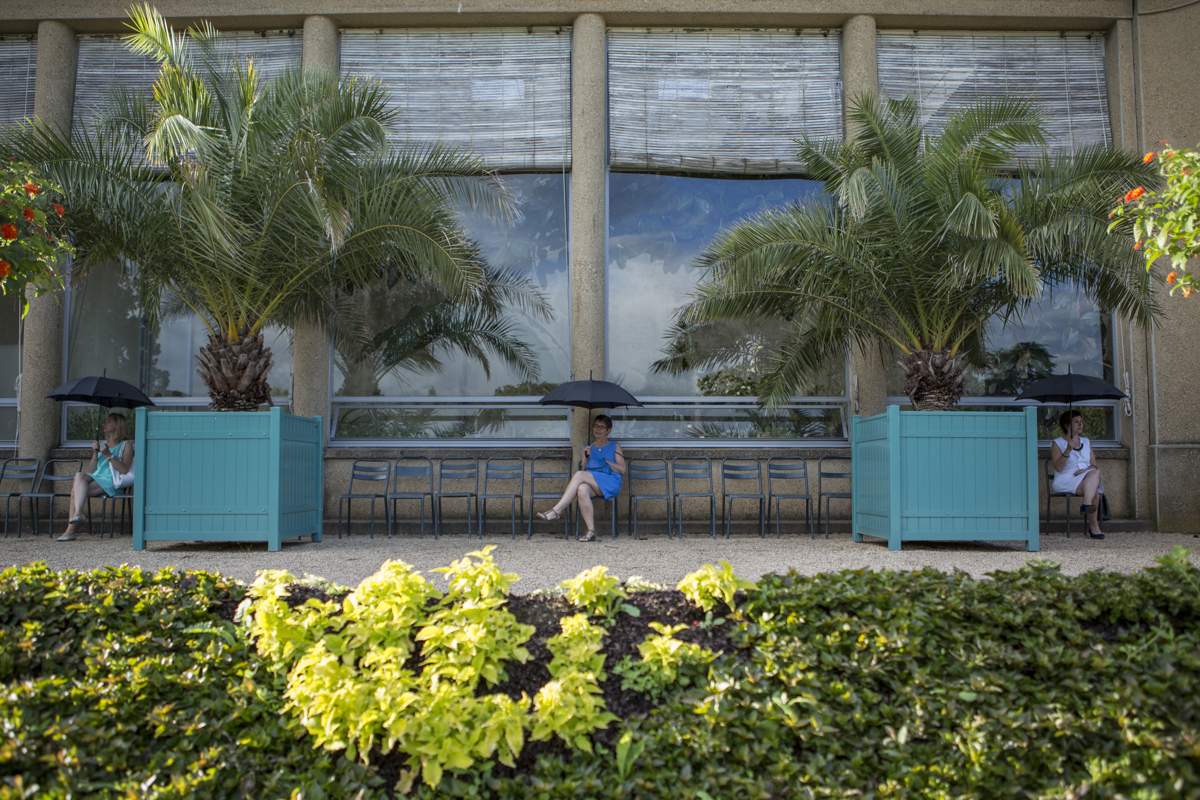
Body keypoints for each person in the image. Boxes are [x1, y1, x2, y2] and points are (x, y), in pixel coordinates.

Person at [536, 414, 626, 542]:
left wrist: (606, 462)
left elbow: (622, 469)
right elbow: (583, 471)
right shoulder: (586, 447)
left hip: (610, 482)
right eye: (596, 426)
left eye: (601, 427)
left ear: (608, 430)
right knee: (582, 489)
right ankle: (591, 531)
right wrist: (586, 457)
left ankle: (556, 511)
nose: (598, 429)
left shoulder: (614, 446)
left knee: (578, 475)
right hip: (593, 484)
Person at [57, 412, 135, 541]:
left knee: (74, 492)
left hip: (112, 480)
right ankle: (78, 514)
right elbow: (93, 470)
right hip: (98, 477)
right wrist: (95, 453)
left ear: (117, 425)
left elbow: (124, 469)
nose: (104, 424)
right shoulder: (102, 444)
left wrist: (108, 455)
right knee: (79, 475)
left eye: (108, 422)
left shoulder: (126, 445)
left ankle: (70, 530)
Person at [1050, 409, 1104, 539]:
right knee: (1094, 491)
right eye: (1076, 422)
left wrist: (1084, 471)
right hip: (1065, 479)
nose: (1080, 424)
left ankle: (1087, 503)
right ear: (1067, 425)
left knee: (1095, 473)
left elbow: (1093, 465)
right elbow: (1058, 468)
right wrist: (1068, 450)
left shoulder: (1086, 442)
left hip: (1085, 477)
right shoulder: (1058, 443)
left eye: (1081, 421)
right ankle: (1094, 527)